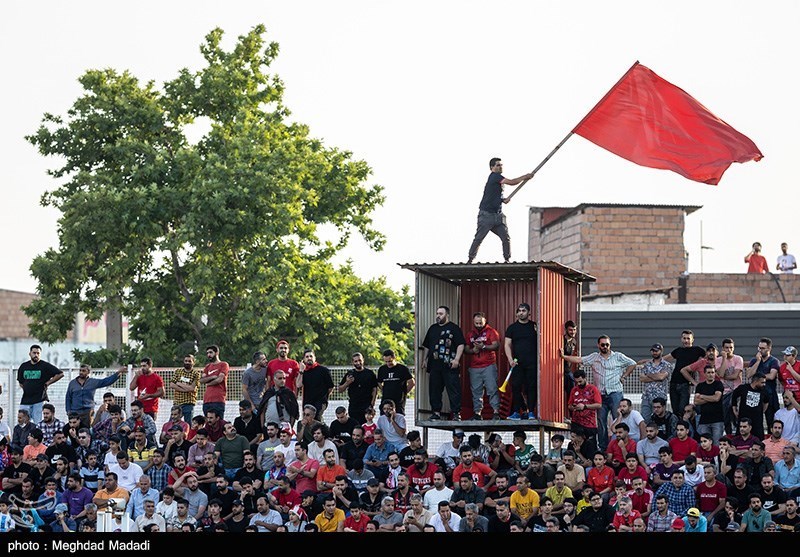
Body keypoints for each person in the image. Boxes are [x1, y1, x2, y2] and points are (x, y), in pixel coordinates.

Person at [562, 335, 637, 449]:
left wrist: (624, 376)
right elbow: (579, 359)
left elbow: (632, 363)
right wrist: (563, 356)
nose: (605, 347)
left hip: (615, 392)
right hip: (600, 394)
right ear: (598, 345)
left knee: (619, 418)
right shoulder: (594, 357)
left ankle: (621, 445)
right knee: (601, 422)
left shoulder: (618, 356)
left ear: (610, 345)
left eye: (607, 344)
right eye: (603, 344)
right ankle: (603, 448)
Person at [466, 157, 532, 263]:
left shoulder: (497, 180)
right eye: (498, 165)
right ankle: (470, 259)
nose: (500, 167)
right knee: (479, 238)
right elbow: (512, 182)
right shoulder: (495, 177)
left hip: (498, 215)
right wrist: (525, 177)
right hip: (486, 215)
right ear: (492, 168)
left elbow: (493, 195)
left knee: (505, 238)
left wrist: (502, 200)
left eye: (501, 165)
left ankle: (507, 259)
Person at [421, 306, 466, 421]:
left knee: (453, 389)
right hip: (435, 365)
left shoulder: (454, 328)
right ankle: (436, 412)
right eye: (437, 313)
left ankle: (456, 413)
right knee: (434, 390)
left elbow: (461, 344)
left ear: (447, 315)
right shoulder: (432, 328)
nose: (438, 316)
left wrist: (457, 359)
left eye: (441, 313)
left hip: (450, 365)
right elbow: (426, 345)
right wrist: (424, 359)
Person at [662, 330, 706, 426]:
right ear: (681, 339)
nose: (686, 340)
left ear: (692, 340)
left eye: (688, 338)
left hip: (686, 384)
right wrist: (648, 362)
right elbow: (663, 360)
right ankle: (676, 429)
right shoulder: (678, 350)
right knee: (675, 410)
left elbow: (710, 357)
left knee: (683, 409)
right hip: (673, 383)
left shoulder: (698, 350)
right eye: (684, 338)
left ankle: (685, 428)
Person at [505, 302, 539, 420]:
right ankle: (516, 412)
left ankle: (531, 412)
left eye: (523, 311)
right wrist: (510, 359)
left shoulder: (534, 326)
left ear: (529, 313)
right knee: (516, 387)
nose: (521, 313)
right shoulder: (512, 328)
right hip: (517, 363)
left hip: (532, 363)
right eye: (519, 311)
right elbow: (507, 344)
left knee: (531, 387)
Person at [464, 312, 501, 420]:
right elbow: (465, 348)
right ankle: (477, 413)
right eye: (476, 323)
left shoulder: (491, 331)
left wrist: (483, 346)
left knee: (492, 388)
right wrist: (472, 350)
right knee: (476, 391)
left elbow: (496, 345)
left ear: (485, 321)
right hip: (474, 367)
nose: (479, 325)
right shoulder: (470, 334)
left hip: (489, 365)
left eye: (481, 323)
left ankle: (496, 412)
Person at [17, 344, 64, 424]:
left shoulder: (44, 366)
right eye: (34, 353)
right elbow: (21, 382)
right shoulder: (24, 366)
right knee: (22, 423)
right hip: (25, 400)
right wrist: (27, 388)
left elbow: (60, 374)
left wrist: (48, 383)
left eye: (38, 353)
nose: (36, 355)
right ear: (30, 353)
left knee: (38, 423)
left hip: (39, 400)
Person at [64, 364, 122, 429]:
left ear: (88, 372)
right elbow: (68, 397)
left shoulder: (92, 382)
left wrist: (118, 373)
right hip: (75, 411)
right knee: (74, 430)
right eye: (80, 370)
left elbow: (105, 381)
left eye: (83, 371)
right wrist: (68, 411)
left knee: (87, 431)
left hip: (88, 412)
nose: (81, 372)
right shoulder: (72, 383)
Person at [746, 337, 781, 430]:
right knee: (755, 420)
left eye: (763, 348)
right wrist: (757, 361)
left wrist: (758, 377)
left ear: (769, 349)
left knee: (771, 420)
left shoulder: (774, 361)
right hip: (755, 395)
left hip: (770, 394)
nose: (760, 350)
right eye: (759, 348)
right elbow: (749, 374)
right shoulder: (754, 360)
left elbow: (772, 376)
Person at [336, 352, 379, 425]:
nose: (358, 362)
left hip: (366, 405)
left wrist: (372, 404)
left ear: (363, 360)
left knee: (366, 427)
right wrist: (347, 383)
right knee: (354, 426)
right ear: (352, 362)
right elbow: (340, 390)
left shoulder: (370, 373)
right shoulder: (350, 374)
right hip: (354, 406)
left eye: (360, 360)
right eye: (355, 361)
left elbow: (375, 389)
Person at [638, 343, 671, 423]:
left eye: (656, 351)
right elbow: (642, 378)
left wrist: (648, 375)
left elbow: (661, 377)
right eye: (653, 351)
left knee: (659, 419)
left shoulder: (666, 365)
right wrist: (656, 376)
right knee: (645, 419)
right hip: (647, 396)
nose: (654, 352)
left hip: (660, 397)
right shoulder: (647, 364)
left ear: (661, 351)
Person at [718, 338, 745, 435]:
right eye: (726, 348)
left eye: (731, 348)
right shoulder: (719, 360)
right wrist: (724, 359)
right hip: (724, 392)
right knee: (725, 415)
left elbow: (735, 376)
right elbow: (720, 374)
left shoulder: (738, 359)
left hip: (736, 391)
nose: (728, 350)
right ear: (722, 348)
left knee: (735, 412)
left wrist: (724, 376)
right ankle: (729, 434)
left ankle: (737, 431)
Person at [376, 349, 414, 416]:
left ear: (394, 358)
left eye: (390, 361)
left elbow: (412, 382)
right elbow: (379, 382)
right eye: (386, 362)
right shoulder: (382, 369)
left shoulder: (402, 369)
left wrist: (404, 392)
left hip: (398, 402)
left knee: (398, 419)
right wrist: (383, 390)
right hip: (386, 400)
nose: (388, 364)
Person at [732, 373, 770, 440]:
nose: (764, 384)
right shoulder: (743, 388)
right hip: (744, 420)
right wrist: (734, 409)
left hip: (757, 422)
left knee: (759, 441)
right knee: (739, 439)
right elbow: (734, 396)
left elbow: (766, 402)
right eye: (762, 382)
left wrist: (761, 411)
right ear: (755, 381)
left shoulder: (764, 391)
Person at [299, 349, 334, 420]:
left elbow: (331, 387)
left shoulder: (323, 370)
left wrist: (324, 397)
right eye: (307, 356)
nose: (309, 358)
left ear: (315, 358)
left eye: (311, 356)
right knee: (307, 422)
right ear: (304, 359)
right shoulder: (303, 372)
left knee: (316, 418)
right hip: (307, 402)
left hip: (320, 402)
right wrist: (301, 371)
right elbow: (298, 385)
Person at [200, 345, 229, 419]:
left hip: (218, 400)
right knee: (208, 424)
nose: (208, 355)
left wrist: (208, 383)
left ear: (217, 353)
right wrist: (213, 377)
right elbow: (201, 380)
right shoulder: (207, 366)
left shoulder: (223, 364)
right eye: (207, 353)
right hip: (207, 400)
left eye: (210, 352)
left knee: (219, 423)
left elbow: (220, 379)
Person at [170, 354, 201, 424]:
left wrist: (179, 384)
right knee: (172, 423)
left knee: (188, 424)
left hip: (188, 403)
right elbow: (172, 384)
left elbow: (192, 388)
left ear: (193, 362)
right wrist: (186, 388)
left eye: (189, 361)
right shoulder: (178, 371)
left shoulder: (196, 374)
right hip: (177, 402)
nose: (187, 362)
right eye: (186, 361)